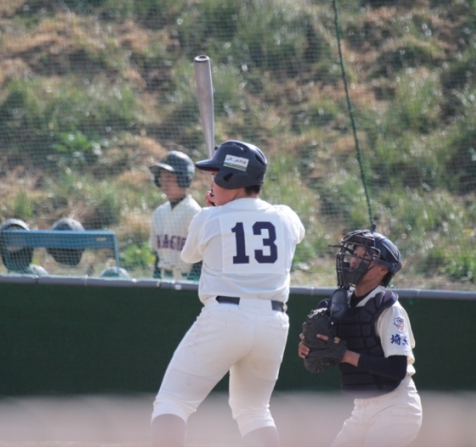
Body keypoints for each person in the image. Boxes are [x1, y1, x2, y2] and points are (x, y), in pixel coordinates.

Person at [151, 140, 305, 447]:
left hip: (225, 317)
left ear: (231, 178)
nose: (211, 181)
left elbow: (188, 256)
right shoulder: (286, 216)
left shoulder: (209, 217)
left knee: (172, 402)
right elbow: (291, 232)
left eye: (215, 174)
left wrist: (217, 211)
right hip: (273, 323)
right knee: (254, 411)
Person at [298, 228, 422, 447]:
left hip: (396, 407)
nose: (354, 260)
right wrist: (310, 347)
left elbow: (396, 369)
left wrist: (346, 355)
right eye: (354, 254)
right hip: (362, 409)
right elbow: (329, 347)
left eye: (364, 256)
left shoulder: (388, 308)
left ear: (382, 269)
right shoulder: (340, 304)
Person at [149, 151, 202, 281]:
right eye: (162, 178)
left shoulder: (194, 213)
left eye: (169, 178)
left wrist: (192, 284)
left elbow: (200, 258)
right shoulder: (159, 213)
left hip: (185, 280)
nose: (164, 183)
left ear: (184, 179)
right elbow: (157, 256)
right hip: (162, 281)